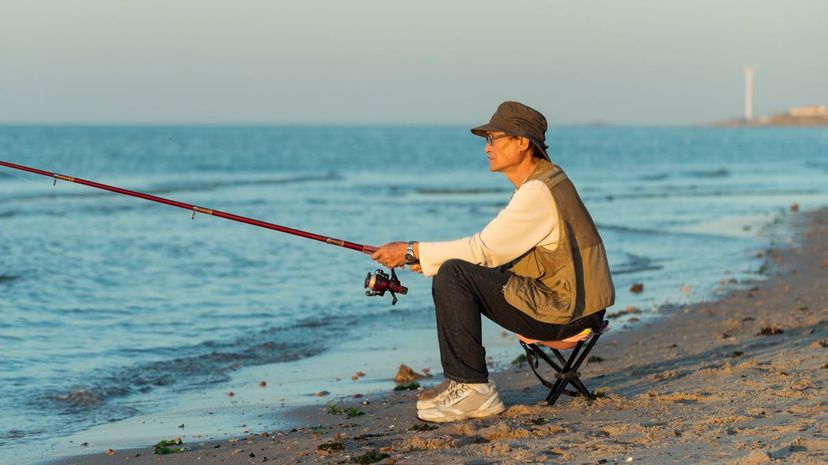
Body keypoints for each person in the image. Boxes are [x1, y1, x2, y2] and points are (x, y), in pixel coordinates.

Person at [371, 101, 615, 423]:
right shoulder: (546, 181)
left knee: (454, 274)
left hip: (566, 311)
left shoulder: (538, 192)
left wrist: (411, 251)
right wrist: (423, 258)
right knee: (455, 271)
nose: (487, 148)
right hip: (578, 305)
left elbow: (481, 250)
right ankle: (462, 383)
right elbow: (496, 252)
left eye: (494, 138)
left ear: (523, 142)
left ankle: (474, 389)